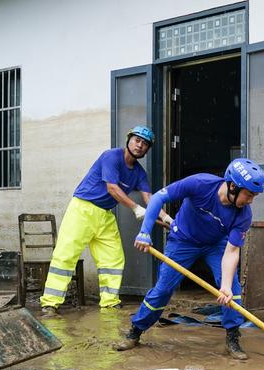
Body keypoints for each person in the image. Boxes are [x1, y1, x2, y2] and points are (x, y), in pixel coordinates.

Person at [113, 158, 264, 359]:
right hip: (182, 241)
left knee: (232, 290)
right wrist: (145, 232)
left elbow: (232, 251)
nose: (251, 201)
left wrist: (226, 286)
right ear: (233, 186)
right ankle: (135, 331)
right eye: (249, 194)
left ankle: (232, 337)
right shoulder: (200, 184)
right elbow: (158, 198)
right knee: (163, 289)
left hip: (215, 245)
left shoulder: (243, 215)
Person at [40, 126, 172, 315]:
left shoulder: (139, 173)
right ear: (129, 140)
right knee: (66, 255)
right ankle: (50, 303)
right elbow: (112, 188)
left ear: (147, 149)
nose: (140, 146)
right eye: (137, 140)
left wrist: (168, 219)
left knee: (113, 258)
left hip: (105, 214)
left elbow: (150, 199)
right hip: (82, 209)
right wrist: (135, 208)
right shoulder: (111, 156)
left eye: (145, 144)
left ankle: (110, 301)